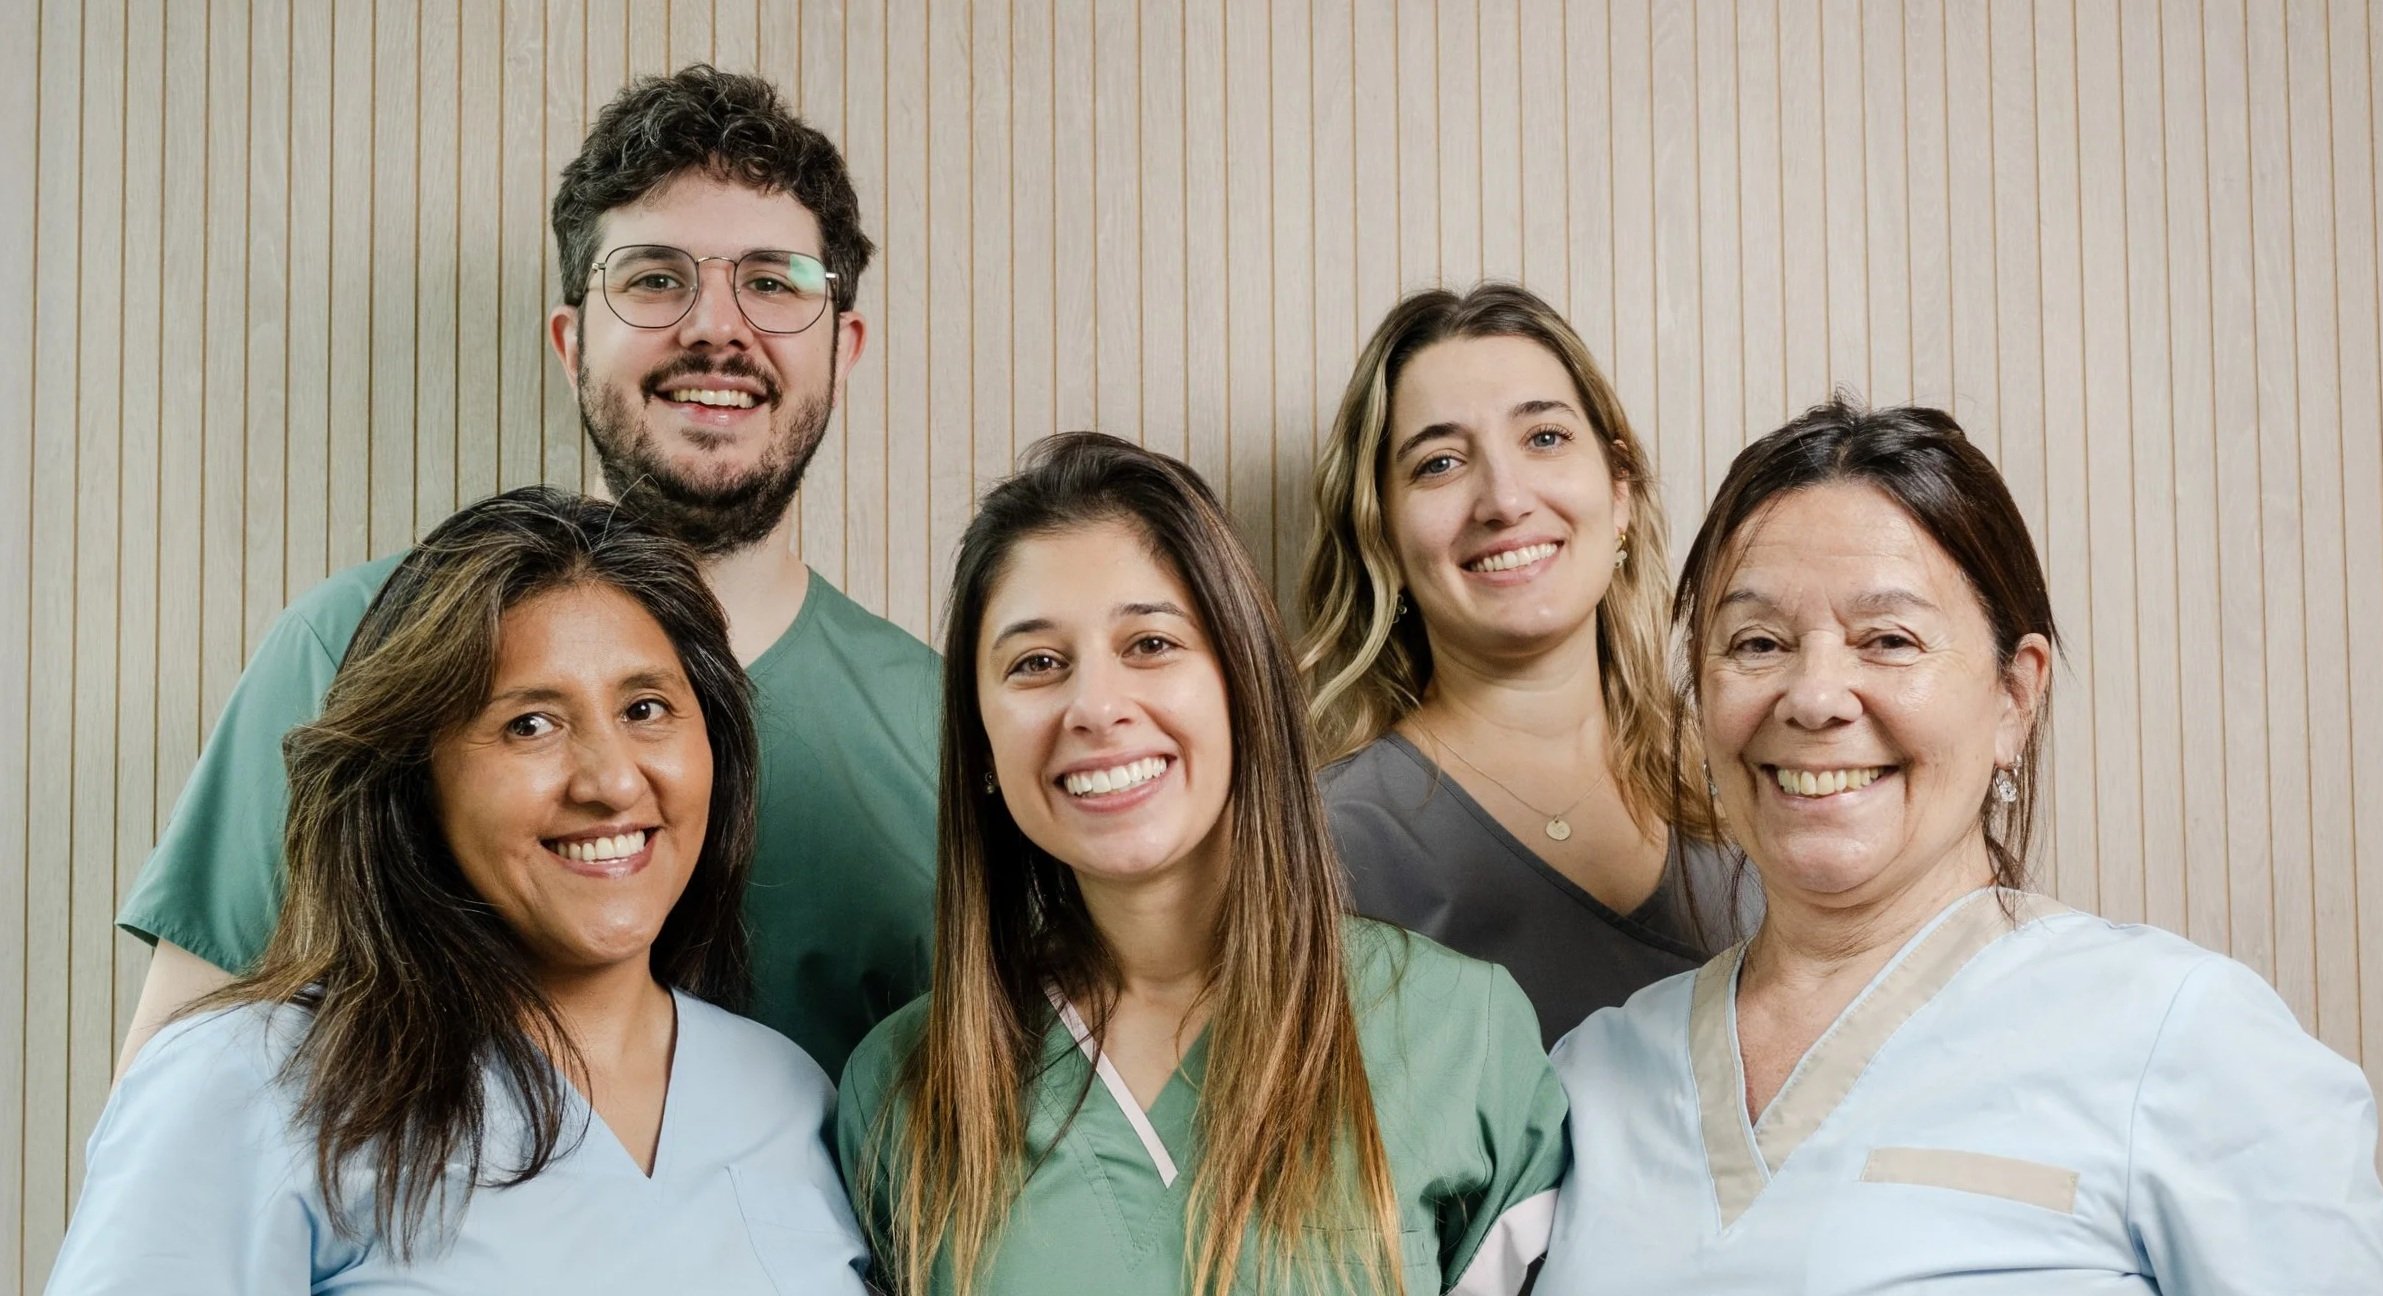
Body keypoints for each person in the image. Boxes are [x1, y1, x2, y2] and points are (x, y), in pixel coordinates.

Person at [115, 65, 939, 1082]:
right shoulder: (358, 646)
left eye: (773, 282)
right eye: (654, 277)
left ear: (842, 349)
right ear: (570, 341)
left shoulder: (949, 731)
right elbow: (170, 1096)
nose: (717, 327)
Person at [1534, 398, 2383, 1293]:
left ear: (2011, 699)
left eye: (1889, 640)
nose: (1816, 695)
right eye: (1757, 642)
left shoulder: (2180, 1036)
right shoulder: (1589, 1079)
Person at [49, 488, 868, 1292]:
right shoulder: (248, 1084)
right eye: (530, 725)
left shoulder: (791, 1099)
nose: (613, 780)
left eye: (646, 708)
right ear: (416, 777)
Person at [838, 434, 1566, 1296]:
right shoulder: (899, 1089)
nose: (1096, 707)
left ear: (1243, 685)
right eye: (1036, 664)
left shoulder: (1459, 1036)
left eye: (1149, 644)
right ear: (982, 746)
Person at [1299, 282, 1742, 1046]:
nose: (1503, 501)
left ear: (1620, 491)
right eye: (1438, 463)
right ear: (1382, 535)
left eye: (1542, 438)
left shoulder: (1751, 779)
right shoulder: (1327, 845)